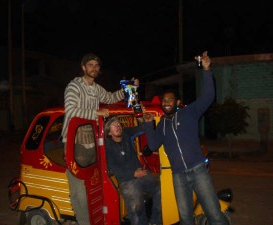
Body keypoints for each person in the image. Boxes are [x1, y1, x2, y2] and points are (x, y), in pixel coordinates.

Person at [142, 51, 230, 225]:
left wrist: (206, 70)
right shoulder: (162, 125)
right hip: (178, 176)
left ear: (177, 102)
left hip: (198, 170)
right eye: (163, 100)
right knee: (185, 218)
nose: (166, 102)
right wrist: (147, 125)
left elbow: (208, 97)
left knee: (214, 214)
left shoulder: (189, 113)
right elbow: (152, 146)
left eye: (170, 100)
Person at [61, 53, 138, 225]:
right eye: (90, 64)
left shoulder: (96, 88)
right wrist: (97, 113)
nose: (94, 68)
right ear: (83, 67)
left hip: (91, 144)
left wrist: (128, 88)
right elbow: (71, 110)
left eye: (97, 65)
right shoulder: (74, 86)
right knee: (79, 191)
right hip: (75, 144)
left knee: (93, 186)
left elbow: (110, 98)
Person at [104, 116, 162, 225]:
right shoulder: (107, 146)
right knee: (136, 208)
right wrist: (133, 173)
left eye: (119, 124)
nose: (118, 126)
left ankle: (155, 221)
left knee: (162, 186)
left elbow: (142, 129)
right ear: (109, 132)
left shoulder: (126, 134)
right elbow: (111, 167)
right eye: (114, 125)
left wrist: (144, 120)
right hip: (126, 180)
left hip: (140, 174)